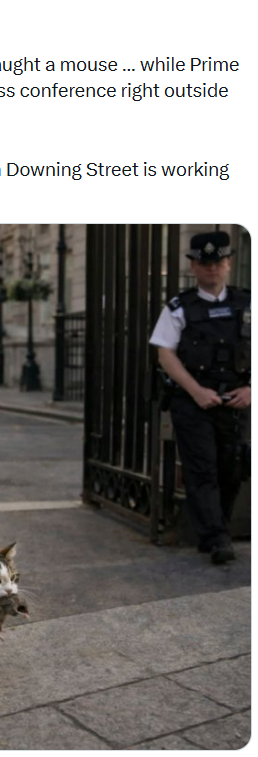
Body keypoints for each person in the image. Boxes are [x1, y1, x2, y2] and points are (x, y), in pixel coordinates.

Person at [150, 231, 250, 564]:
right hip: (193, 401)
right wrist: (196, 391)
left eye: (218, 262)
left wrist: (252, 389)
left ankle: (216, 529)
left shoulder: (247, 304)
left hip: (236, 402)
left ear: (228, 263)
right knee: (202, 469)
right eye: (204, 263)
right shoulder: (179, 307)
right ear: (194, 266)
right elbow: (166, 354)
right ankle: (217, 537)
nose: (212, 269)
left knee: (232, 469)